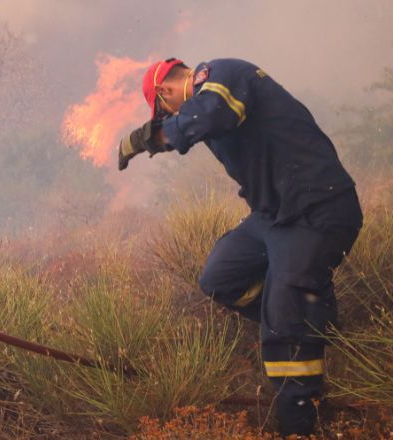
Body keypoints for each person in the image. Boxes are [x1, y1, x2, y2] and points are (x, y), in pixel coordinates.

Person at [118, 58, 362, 436]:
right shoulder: (204, 102)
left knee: (283, 323)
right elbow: (193, 124)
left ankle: (301, 426)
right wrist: (152, 139)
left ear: (165, 92)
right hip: (273, 216)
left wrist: (148, 137)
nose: (169, 117)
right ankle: (312, 318)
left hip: (317, 210)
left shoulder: (221, 76)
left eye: (164, 112)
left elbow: (209, 115)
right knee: (220, 277)